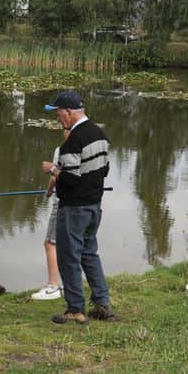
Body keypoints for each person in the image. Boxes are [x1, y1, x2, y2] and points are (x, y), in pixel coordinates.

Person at [41, 90, 116, 325]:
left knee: (68, 257)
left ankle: (75, 309)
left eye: (58, 113)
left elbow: (72, 179)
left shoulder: (72, 142)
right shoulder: (99, 134)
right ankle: (102, 304)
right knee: (89, 253)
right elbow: (104, 170)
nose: (57, 118)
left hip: (74, 209)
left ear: (69, 112)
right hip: (94, 207)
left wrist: (53, 170)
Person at [32, 130, 70, 301]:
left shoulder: (61, 150)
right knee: (72, 244)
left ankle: (53, 286)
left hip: (62, 202)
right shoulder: (86, 147)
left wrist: (48, 192)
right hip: (80, 204)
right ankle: (69, 284)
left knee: (50, 243)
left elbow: (55, 177)